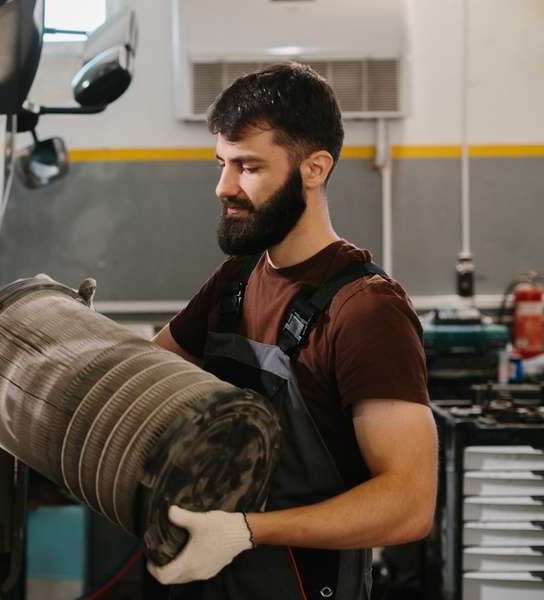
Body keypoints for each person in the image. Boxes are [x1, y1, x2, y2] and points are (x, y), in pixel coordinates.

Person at [148, 62, 437, 599]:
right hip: (212, 581)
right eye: (221, 164)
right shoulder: (239, 277)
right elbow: (149, 374)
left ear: (315, 168)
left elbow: (409, 504)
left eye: (248, 167)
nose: (223, 187)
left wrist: (245, 532)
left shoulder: (366, 310)